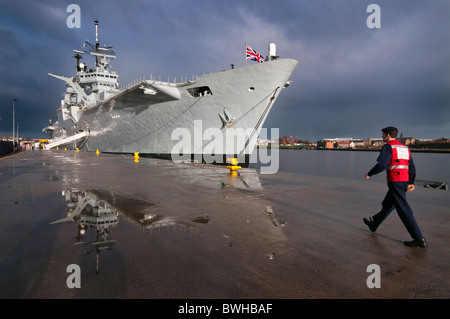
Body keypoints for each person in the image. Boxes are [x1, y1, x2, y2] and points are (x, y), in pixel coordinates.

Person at [363, 126, 427, 248]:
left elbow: (382, 165)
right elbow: (411, 166)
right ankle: (374, 223)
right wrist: (411, 182)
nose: (382, 137)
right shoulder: (404, 147)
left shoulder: (388, 147)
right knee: (388, 204)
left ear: (387, 135)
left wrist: (369, 173)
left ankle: (419, 238)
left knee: (404, 210)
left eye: (382, 135)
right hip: (403, 181)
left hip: (395, 181)